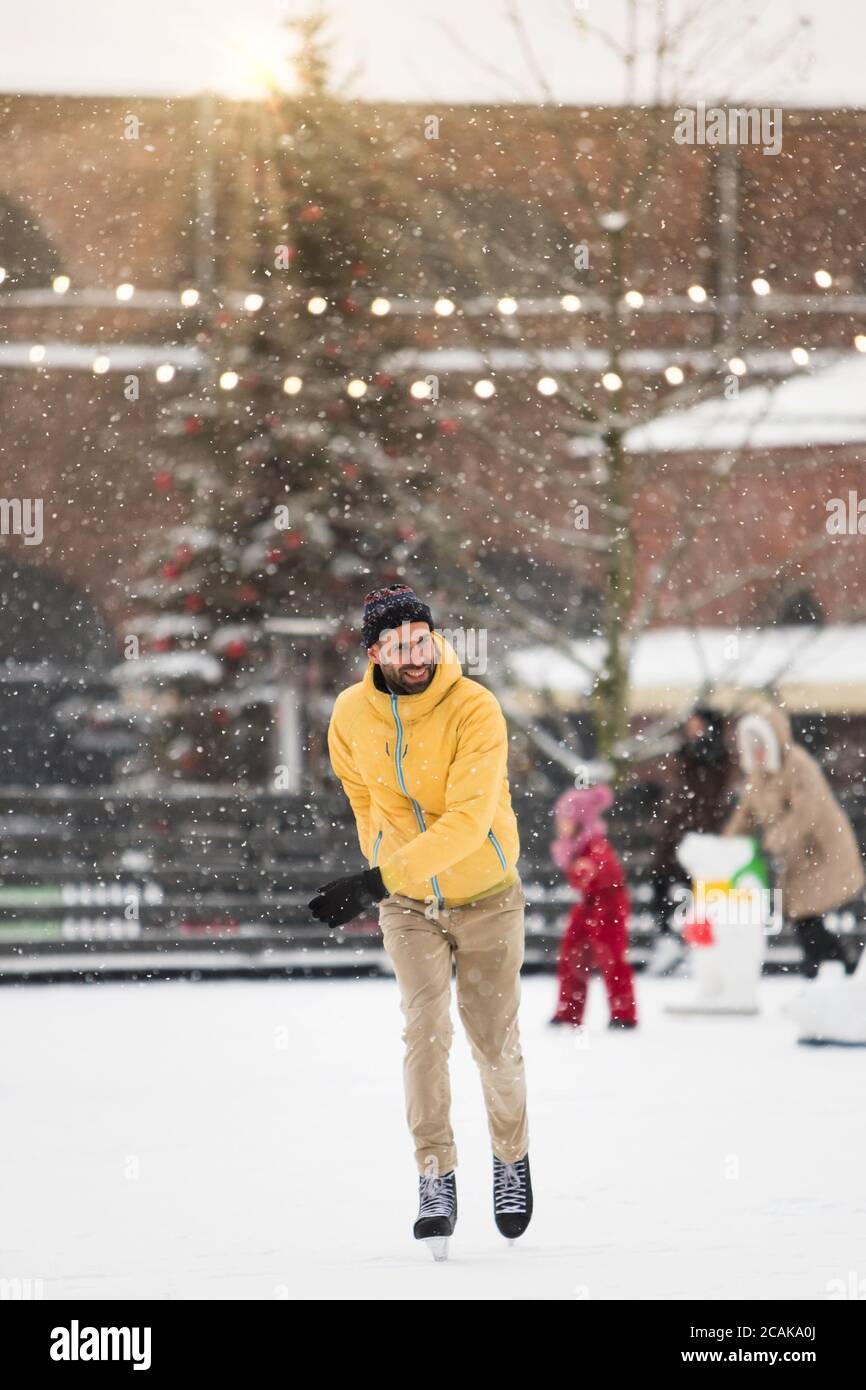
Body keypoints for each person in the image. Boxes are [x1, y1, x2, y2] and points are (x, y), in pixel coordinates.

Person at [309, 584, 532, 1258]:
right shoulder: (350, 714)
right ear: (373, 652)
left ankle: (511, 1159)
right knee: (424, 1031)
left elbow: (467, 823)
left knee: (493, 1043)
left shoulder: (475, 710)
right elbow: (357, 791)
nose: (415, 653)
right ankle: (435, 1174)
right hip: (408, 906)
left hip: (487, 894)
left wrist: (374, 877)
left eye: (423, 638)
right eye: (399, 643)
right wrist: (378, 855)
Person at [724, 698, 865, 978]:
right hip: (796, 861)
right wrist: (725, 845)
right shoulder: (758, 777)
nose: (759, 752)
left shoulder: (799, 766)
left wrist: (775, 840)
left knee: (806, 919)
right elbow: (746, 815)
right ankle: (831, 972)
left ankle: (833, 971)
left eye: (762, 743)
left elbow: (807, 812)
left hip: (822, 854)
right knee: (804, 920)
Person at [647, 704, 734, 973]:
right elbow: (681, 795)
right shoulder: (686, 754)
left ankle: (694, 945)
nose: (692, 729)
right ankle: (671, 940)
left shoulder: (718, 757)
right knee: (662, 883)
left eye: (697, 724)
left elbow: (710, 798)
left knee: (700, 893)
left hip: (702, 837)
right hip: (677, 834)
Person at [549, 783, 638, 1029]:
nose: (560, 824)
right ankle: (569, 1012)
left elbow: (602, 874)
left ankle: (623, 1014)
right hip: (588, 905)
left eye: (565, 818)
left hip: (608, 907)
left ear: (579, 821)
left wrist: (585, 872)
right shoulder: (576, 847)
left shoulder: (595, 846)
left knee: (611, 959)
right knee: (572, 956)